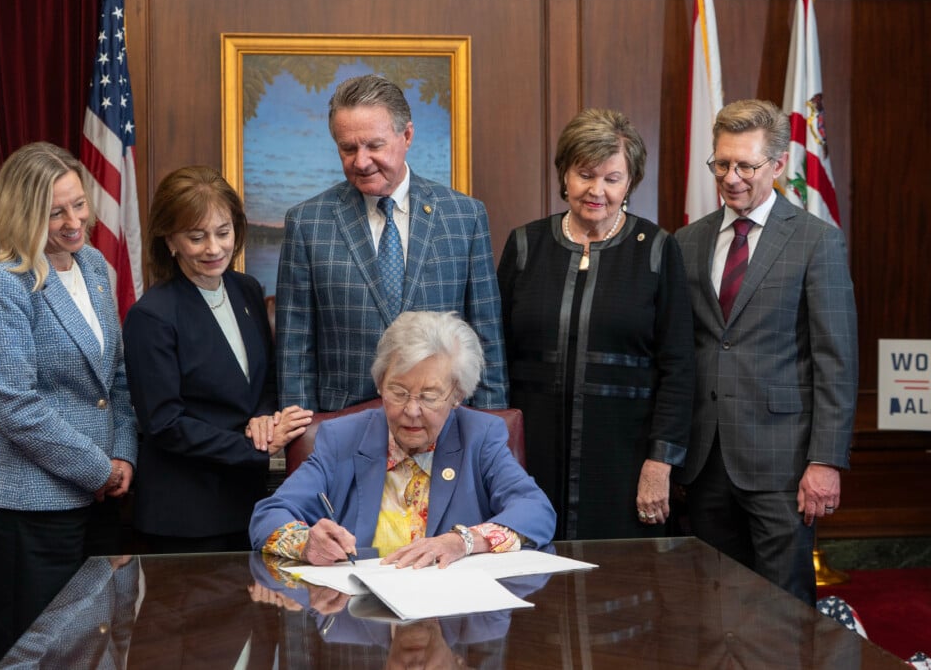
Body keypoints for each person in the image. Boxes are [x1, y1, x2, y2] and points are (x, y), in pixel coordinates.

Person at [674, 99, 858, 605]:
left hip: (783, 464)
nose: (731, 178)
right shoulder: (687, 242)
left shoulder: (816, 242)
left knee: (783, 611)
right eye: (721, 164)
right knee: (712, 606)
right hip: (706, 462)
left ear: (777, 166)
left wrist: (825, 461)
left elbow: (836, 360)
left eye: (745, 166)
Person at [0, 141, 138, 669]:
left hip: (102, 504)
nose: (73, 222)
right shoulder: (1, 283)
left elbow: (117, 379)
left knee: (96, 647)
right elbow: (15, 405)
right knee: (32, 653)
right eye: (55, 212)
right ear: (24, 214)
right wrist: (97, 468)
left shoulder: (91, 264)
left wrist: (126, 456)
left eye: (78, 204)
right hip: (32, 508)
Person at [497, 108, 695, 540]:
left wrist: (659, 464)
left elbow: (679, 368)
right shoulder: (526, 245)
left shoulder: (658, 250)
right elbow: (495, 356)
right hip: (530, 458)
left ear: (630, 183)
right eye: (585, 174)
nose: (596, 190)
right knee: (532, 578)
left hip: (624, 461)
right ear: (564, 174)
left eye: (612, 178)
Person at [276, 74, 508, 413]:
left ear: (407, 135)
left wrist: (490, 431)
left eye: (374, 145)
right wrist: (301, 440)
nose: (361, 161)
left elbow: (487, 338)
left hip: (444, 423)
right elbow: (294, 348)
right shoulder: (307, 223)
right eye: (348, 148)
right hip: (344, 428)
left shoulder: (464, 217)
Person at [250, 310, 555, 566]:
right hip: (359, 620)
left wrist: (462, 541)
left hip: (455, 622)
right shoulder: (343, 437)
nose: (411, 410)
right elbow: (268, 516)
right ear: (380, 383)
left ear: (457, 395)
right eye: (398, 392)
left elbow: (536, 511)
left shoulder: (479, 436)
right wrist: (306, 544)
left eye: (429, 396)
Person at [123, 166, 312, 554]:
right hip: (184, 517)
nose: (214, 248)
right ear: (170, 241)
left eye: (223, 232)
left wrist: (264, 416)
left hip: (250, 506)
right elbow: (164, 424)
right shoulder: (152, 315)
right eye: (196, 237)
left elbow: (266, 378)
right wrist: (259, 446)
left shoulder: (246, 290)